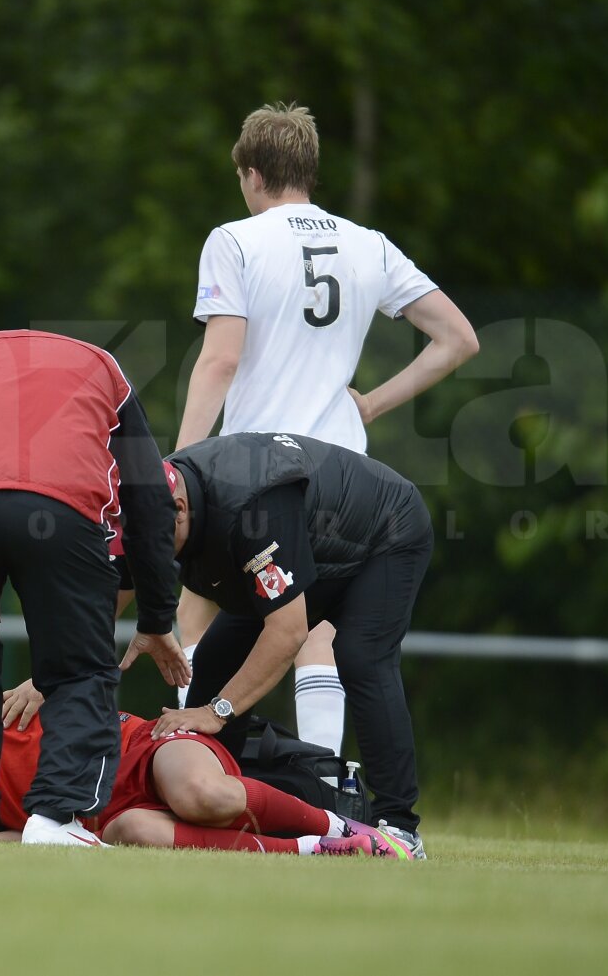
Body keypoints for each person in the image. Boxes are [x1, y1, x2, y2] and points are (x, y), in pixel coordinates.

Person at [174, 102, 478, 755]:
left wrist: (181, 462)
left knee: (195, 605)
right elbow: (458, 339)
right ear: (309, 172)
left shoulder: (235, 240)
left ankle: (191, 763)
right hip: (342, 472)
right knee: (315, 626)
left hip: (252, 473)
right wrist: (370, 405)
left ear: (252, 174)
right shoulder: (369, 244)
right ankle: (332, 783)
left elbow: (221, 358)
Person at [0, 330, 190, 847]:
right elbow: (151, 501)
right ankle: (56, 818)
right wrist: (155, 616)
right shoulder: (107, 369)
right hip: (64, 511)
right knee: (79, 668)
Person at [145, 432, 435, 860]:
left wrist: (216, 711)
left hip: (385, 530)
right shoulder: (152, 504)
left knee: (361, 657)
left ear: (181, 511)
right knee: (215, 659)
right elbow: (114, 588)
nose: (147, 555)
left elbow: (286, 632)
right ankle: (221, 806)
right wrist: (49, 677)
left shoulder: (251, 507)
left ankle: (399, 826)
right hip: (314, 548)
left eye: (152, 544)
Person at [0, 684, 412, 858]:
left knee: (202, 796)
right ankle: (319, 849)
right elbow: (27, 836)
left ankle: (349, 822)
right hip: (104, 811)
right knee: (137, 837)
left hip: (134, 746)